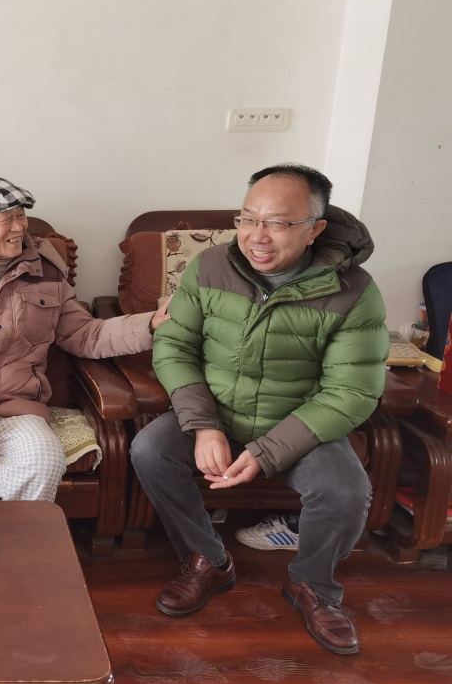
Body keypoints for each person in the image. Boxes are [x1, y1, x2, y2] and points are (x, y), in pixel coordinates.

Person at [130, 163, 388, 656]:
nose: (257, 236)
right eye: (248, 218)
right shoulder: (209, 266)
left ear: (315, 229)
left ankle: (313, 584)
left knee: (345, 490)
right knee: (149, 449)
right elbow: (175, 347)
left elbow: (351, 392)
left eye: (278, 223)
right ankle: (208, 560)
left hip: (299, 423)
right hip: (217, 411)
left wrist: (270, 450)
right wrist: (203, 426)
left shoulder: (355, 291)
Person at [0, 177, 170, 502]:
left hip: (17, 409)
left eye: (21, 216)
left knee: (44, 460)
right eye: (6, 219)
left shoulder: (46, 269)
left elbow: (84, 334)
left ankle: (19, 536)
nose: (18, 227)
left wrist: (150, 324)